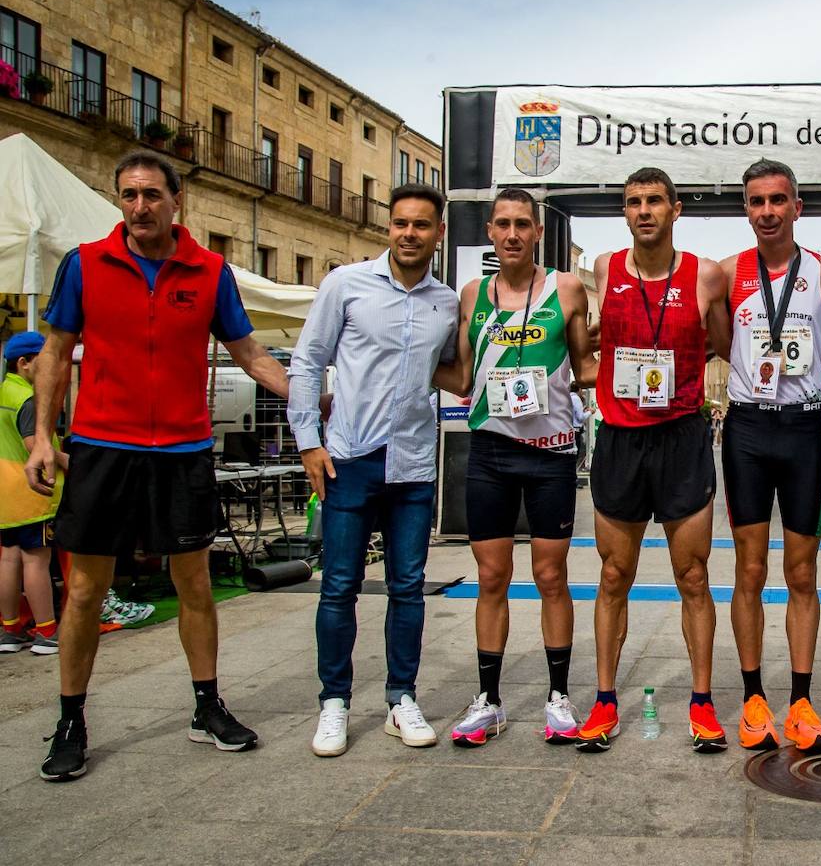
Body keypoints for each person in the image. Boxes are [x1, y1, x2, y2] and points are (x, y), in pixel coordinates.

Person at [25, 151, 289, 782]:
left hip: (182, 450)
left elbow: (249, 353)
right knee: (87, 590)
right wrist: (42, 437)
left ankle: (206, 707)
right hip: (102, 447)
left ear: (177, 201)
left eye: (150, 195)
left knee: (195, 586)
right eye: (128, 195)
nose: (138, 206)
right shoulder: (85, 264)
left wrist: (313, 399)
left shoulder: (209, 270)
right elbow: (56, 355)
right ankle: (71, 720)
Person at [288, 182, 459, 758]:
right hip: (349, 460)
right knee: (339, 587)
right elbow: (308, 362)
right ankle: (334, 702)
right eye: (400, 223)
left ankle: (400, 699)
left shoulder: (447, 302)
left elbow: (456, 373)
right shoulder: (346, 285)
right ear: (389, 228)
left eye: (421, 225)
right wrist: (308, 442)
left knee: (408, 589)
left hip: (412, 465)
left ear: (439, 233)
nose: (409, 233)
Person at [575, 167, 732, 753]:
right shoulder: (605, 269)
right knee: (614, 576)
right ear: (625, 212)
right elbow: (595, 339)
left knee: (693, 577)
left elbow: (719, 342)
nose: (644, 211)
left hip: (681, 438)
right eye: (634, 202)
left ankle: (701, 703)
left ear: (676, 209)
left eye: (655, 201)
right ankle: (605, 701)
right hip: (620, 438)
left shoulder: (706, 275)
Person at [435, 188, 595, 748]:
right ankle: (490, 702)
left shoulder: (565, 288)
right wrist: (411, 361)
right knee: (491, 576)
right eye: (502, 224)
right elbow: (457, 376)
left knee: (551, 577)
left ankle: (558, 697)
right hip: (491, 452)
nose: (511, 234)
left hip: (550, 452)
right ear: (489, 231)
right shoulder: (473, 293)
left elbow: (584, 368)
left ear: (537, 232)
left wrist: (649, 359)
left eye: (522, 224)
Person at [718, 158, 821, 752]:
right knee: (749, 569)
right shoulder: (725, 274)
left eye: (778, 200)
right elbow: (711, 343)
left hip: (803, 430)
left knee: (801, 571)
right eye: (756, 201)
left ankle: (800, 700)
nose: (768, 212)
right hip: (747, 431)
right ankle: (754, 698)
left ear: (797, 207)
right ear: (746, 209)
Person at [1, 332, 62, 656]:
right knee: (36, 562)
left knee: (9, 559)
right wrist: (72, 460)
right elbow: (35, 447)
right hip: (32, 493)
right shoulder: (28, 398)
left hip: (6, 494)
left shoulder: (4, 392)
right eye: (44, 359)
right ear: (24, 363)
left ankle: (10, 630)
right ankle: (46, 632)